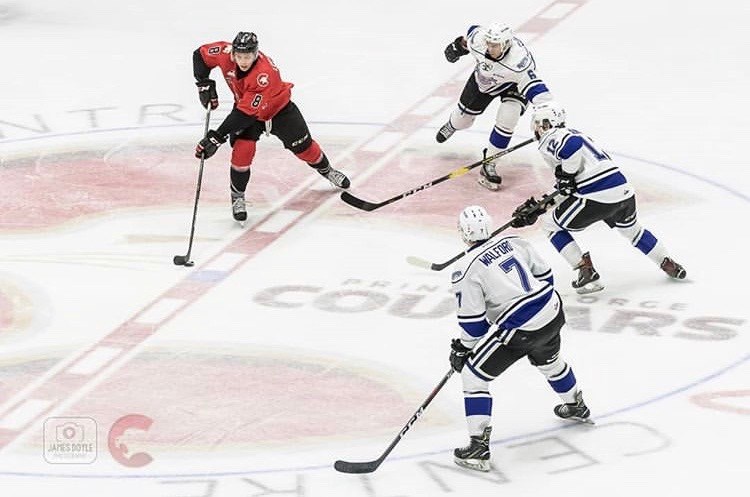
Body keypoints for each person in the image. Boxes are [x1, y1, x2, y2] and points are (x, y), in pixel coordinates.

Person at [449, 205, 591, 472]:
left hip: (522, 325)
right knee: (550, 361)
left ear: (463, 233)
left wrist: (461, 349)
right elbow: (545, 276)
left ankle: (478, 448)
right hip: (552, 309)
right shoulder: (515, 242)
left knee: (473, 376)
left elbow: (474, 326)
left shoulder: (464, 271)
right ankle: (576, 405)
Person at [511, 103, 687, 294]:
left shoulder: (552, 138)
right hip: (623, 191)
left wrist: (565, 178)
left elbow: (571, 151)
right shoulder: (577, 133)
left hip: (595, 196)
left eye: (537, 124)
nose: (535, 129)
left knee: (549, 225)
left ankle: (584, 270)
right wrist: (541, 205)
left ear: (545, 124)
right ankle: (666, 261)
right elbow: (567, 186)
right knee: (633, 232)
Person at [192, 32, 350, 223]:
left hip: (279, 111)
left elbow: (244, 115)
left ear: (256, 54)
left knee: (305, 149)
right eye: (239, 56)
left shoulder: (263, 75)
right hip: (248, 112)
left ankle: (327, 171)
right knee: (242, 152)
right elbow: (200, 55)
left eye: (248, 57)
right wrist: (203, 83)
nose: (243, 61)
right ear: (233, 52)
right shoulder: (225, 53)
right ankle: (237, 196)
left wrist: (217, 136)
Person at [437, 22, 554, 191]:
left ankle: (490, 163)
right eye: (489, 43)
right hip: (483, 82)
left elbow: (538, 91)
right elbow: (470, 33)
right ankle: (453, 125)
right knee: (462, 121)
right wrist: (458, 46)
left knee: (509, 116)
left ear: (506, 44)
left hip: (513, 84)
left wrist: (548, 112)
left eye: (495, 45)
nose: (490, 48)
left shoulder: (519, 62)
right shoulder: (480, 40)